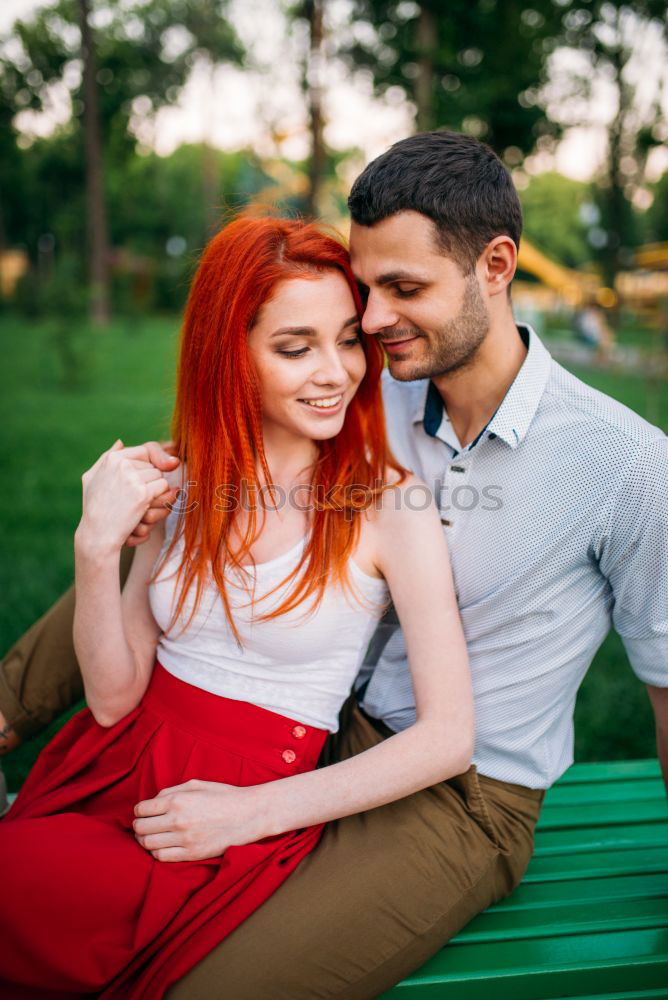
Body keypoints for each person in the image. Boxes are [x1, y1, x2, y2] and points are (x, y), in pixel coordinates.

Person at [1, 130, 667, 999]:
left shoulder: (626, 467)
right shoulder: (365, 376)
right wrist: (158, 494)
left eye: (404, 289)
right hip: (323, 725)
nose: (377, 322)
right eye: (367, 292)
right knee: (163, 538)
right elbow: (230, 468)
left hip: (464, 793)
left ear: (497, 267)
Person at [0, 215, 474, 998]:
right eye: (296, 347)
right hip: (114, 765)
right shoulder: (185, 485)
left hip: (238, 805)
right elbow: (115, 700)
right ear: (231, 354)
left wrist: (251, 815)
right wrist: (95, 550)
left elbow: (449, 739)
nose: (336, 372)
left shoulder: (388, 506)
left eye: (349, 340)